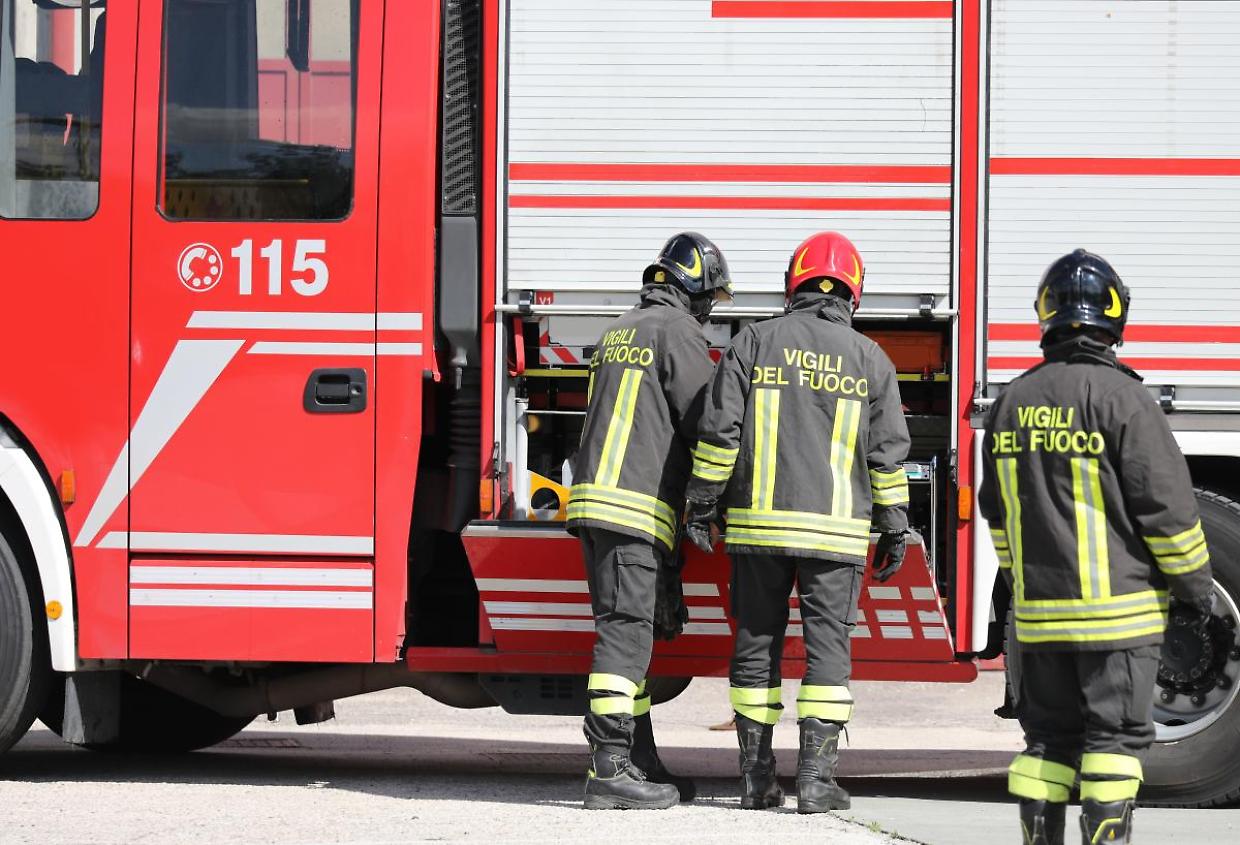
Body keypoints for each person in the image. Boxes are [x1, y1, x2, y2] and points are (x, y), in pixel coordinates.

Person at [979, 249, 1215, 845]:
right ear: (1115, 317)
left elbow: (997, 512)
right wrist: (1194, 592)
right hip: (1119, 623)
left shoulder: (1011, 402)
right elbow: (1168, 511)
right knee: (1112, 746)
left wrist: (1025, 589)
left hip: (1038, 624)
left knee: (1047, 745)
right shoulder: (1125, 400)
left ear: (1046, 314)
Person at [684, 231, 911, 813]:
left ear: (796, 284)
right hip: (835, 536)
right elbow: (887, 457)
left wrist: (704, 503)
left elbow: (718, 434)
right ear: (853, 292)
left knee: (756, 645)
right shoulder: (871, 360)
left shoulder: (753, 343)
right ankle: (815, 781)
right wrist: (893, 525)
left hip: (758, 532)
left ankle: (757, 780)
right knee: (827, 651)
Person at [566, 232, 733, 810]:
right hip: (633, 508)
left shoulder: (619, 331)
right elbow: (704, 419)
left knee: (625, 633)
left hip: (592, 506)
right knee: (626, 634)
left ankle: (638, 758)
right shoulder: (677, 332)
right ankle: (610, 768)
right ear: (693, 290)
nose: (709, 311)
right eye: (709, 298)